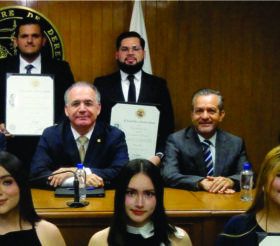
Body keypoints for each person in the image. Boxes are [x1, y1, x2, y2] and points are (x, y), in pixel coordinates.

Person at [0, 16, 76, 165]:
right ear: (15, 41)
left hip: (48, 144)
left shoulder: (60, 69)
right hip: (10, 145)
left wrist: (58, 125)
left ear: (43, 41)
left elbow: (71, 103)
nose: (29, 41)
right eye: (24, 36)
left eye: (34, 36)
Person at [93, 31, 174, 166]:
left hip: (150, 161)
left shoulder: (159, 85)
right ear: (117, 54)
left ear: (144, 54)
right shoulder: (102, 84)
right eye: (124, 49)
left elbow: (167, 126)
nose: (130, 53)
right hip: (110, 159)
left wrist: (159, 156)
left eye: (135, 49)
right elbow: (96, 123)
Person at [29, 82, 129, 189]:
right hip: (60, 202)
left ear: (98, 108)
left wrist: (77, 171)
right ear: (67, 110)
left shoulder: (114, 136)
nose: (82, 109)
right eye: (76, 104)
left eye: (88, 103)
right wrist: (80, 179)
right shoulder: (51, 135)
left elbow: (123, 173)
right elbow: (37, 175)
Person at [162, 89, 250, 193]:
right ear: (192, 115)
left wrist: (231, 181)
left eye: (211, 111)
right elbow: (168, 175)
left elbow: (248, 175)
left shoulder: (235, 143)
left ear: (221, 115)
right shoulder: (176, 140)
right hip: (190, 203)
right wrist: (200, 182)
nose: (204, 116)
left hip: (225, 203)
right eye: (199, 111)